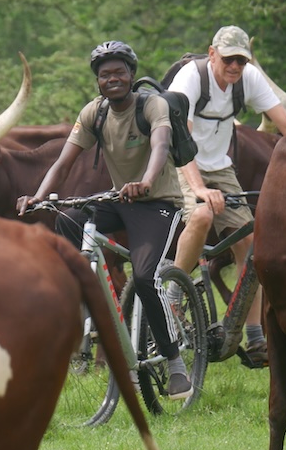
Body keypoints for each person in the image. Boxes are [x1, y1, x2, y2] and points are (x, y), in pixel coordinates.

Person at [16, 40, 193, 399]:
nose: (112, 79)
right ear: (97, 81)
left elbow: (160, 146)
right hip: (120, 199)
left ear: (131, 74)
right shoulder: (94, 113)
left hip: (158, 202)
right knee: (65, 218)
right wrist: (37, 196)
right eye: (104, 75)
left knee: (144, 278)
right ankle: (87, 286)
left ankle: (175, 362)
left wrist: (145, 181)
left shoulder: (152, 105)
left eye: (119, 72)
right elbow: (63, 163)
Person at [166, 25, 286, 367]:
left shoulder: (249, 80)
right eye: (228, 59)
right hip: (183, 163)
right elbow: (180, 141)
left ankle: (255, 335)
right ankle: (171, 299)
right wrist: (199, 189)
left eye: (241, 61)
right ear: (212, 53)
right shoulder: (190, 79)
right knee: (201, 215)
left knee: (252, 241)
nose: (235, 67)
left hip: (221, 169)